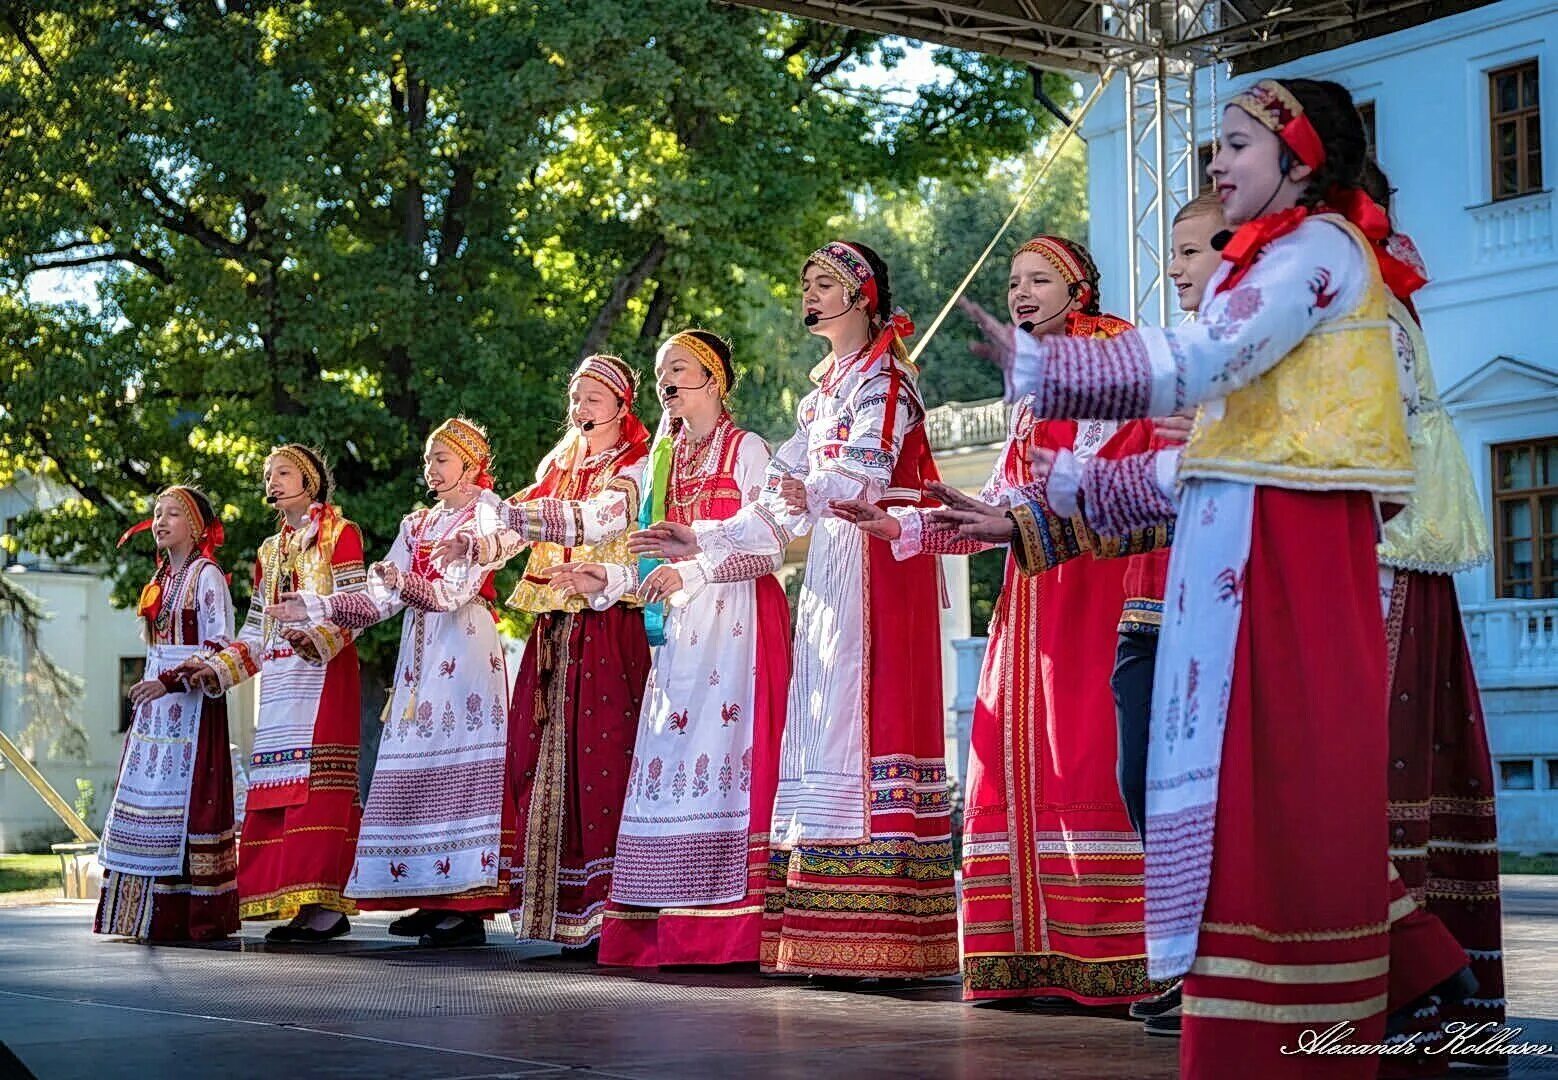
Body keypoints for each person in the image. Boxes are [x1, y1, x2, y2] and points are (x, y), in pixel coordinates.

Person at [967, 79, 1456, 1076]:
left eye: (1237, 144)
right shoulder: (1272, 261)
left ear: (1300, 158)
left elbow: (1202, 364)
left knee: (1281, 785)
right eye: (1215, 148)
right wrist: (1064, 488)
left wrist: (1048, 370)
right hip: (1237, 550)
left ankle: (1331, 1013)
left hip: (1294, 548)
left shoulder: (1319, 250)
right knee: (1241, 794)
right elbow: (1207, 457)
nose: (1219, 162)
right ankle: (1323, 1005)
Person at [834, 236, 1161, 1008]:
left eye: (1040, 279)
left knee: (1085, 756)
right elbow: (999, 508)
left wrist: (1009, 517)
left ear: (1080, 289)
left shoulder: (1109, 360)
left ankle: (1114, 957)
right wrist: (906, 526)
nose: (1021, 293)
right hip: (1031, 597)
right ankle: (1031, 956)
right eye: (1014, 281)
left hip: (1092, 587)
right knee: (1015, 758)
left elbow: (1096, 483)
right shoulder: (1034, 386)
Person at [631, 241, 957, 980]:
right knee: (820, 723)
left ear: (861, 295)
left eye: (825, 283)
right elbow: (774, 508)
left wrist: (798, 495)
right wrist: (701, 540)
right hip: (833, 573)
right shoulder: (822, 397)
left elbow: (859, 479)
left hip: (880, 564)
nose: (809, 294)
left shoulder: (887, 385)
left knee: (860, 723)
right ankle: (828, 932)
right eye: (806, 282)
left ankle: (885, 939)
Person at [548, 331, 791, 968]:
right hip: (683, 634)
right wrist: (606, 580)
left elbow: (769, 546)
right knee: (676, 756)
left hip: (739, 626)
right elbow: (649, 557)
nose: (667, 381)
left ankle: (735, 933)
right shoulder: (664, 461)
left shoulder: (749, 449)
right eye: (661, 372)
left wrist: (696, 567)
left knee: (731, 757)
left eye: (678, 368)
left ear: (714, 378)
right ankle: (668, 928)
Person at [266, 418, 514, 948]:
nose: (431, 469)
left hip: (464, 648)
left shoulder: (490, 514)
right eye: (427, 460)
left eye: (441, 459)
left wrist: (401, 581)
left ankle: (466, 908)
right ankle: (432, 895)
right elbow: (379, 599)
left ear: (471, 464)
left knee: (457, 767)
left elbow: (452, 592)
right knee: (417, 765)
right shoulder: (417, 524)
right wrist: (315, 605)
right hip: (418, 654)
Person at [462, 354, 653, 954]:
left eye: (593, 398)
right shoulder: (559, 462)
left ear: (622, 406)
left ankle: (610, 911)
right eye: (576, 397)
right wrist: (478, 544)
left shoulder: (637, 463)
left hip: (608, 618)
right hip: (555, 624)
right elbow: (517, 525)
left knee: (605, 755)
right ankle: (563, 912)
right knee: (539, 753)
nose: (580, 408)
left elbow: (597, 521)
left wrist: (510, 515)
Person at [189, 445, 365, 943]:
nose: (273, 481)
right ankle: (300, 904)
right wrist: (217, 668)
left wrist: (316, 638)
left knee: (318, 789)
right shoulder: (269, 550)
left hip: (325, 672)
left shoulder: (340, 533)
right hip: (282, 683)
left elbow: (357, 606)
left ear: (310, 480)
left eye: (284, 472)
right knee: (280, 788)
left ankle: (325, 906)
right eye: (268, 474)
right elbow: (257, 628)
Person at [96, 486, 239, 942]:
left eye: (172, 513)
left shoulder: (207, 575)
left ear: (195, 526)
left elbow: (220, 645)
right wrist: (155, 682)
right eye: (157, 513)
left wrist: (171, 680)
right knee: (149, 796)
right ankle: (142, 915)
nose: (160, 521)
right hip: (156, 706)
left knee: (188, 800)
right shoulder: (160, 577)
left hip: (192, 706)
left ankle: (192, 915)